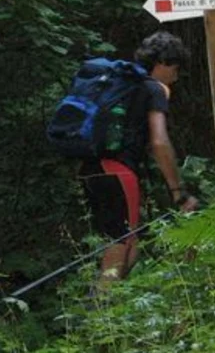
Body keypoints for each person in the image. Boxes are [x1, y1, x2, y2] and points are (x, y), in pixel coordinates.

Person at [80, 30, 199, 291]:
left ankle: (108, 303)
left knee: (129, 243)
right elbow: (159, 142)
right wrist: (178, 192)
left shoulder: (124, 86)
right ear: (162, 63)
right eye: (176, 68)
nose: (176, 76)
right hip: (119, 171)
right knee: (121, 242)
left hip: (91, 168)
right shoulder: (154, 89)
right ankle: (102, 308)